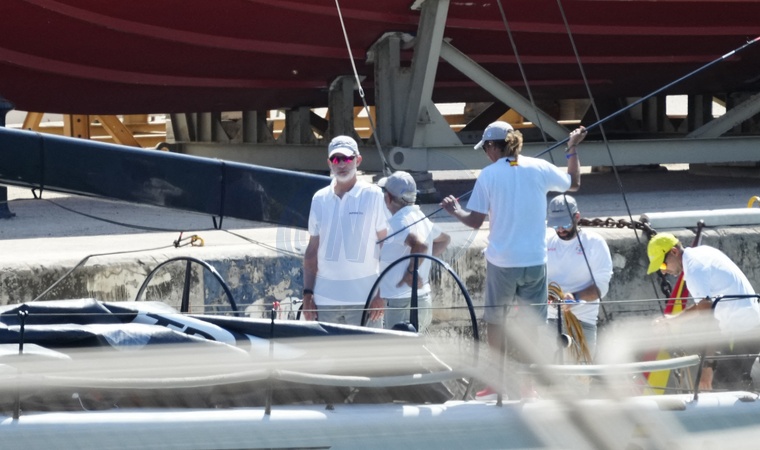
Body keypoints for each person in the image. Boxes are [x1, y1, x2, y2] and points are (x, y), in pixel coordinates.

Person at [440, 121, 588, 399]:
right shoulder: (539, 167)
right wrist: (571, 148)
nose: (486, 153)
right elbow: (575, 183)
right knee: (531, 325)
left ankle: (497, 384)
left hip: (503, 262)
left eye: (486, 148)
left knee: (496, 322)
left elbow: (474, 221)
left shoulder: (488, 174)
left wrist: (454, 210)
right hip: (535, 261)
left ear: (493, 146)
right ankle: (528, 387)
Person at [647, 233, 760, 391]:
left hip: (743, 330)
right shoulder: (702, 253)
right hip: (746, 325)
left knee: (724, 386)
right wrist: (674, 319)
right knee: (730, 382)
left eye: (663, 266)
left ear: (674, 252)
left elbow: (708, 322)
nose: (664, 272)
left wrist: (708, 368)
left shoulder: (694, 270)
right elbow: (705, 305)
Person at [302, 136, 388, 327]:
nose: (341, 164)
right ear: (329, 163)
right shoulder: (319, 199)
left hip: (366, 301)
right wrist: (308, 294)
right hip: (325, 302)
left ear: (358, 160)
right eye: (336, 159)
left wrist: (382, 295)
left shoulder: (374, 195)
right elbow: (312, 251)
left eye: (347, 158)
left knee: (369, 349)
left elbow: (388, 247)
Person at [378, 171, 451, 332]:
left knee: (397, 347)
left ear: (388, 198)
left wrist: (411, 271)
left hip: (401, 302)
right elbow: (444, 239)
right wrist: (423, 258)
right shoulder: (419, 216)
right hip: (423, 299)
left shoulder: (398, 222)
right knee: (417, 347)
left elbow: (421, 245)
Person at [545, 194, 613, 361]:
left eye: (566, 224)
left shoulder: (594, 243)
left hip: (583, 321)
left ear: (577, 217)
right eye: (556, 225)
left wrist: (575, 297)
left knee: (581, 373)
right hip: (549, 320)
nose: (561, 230)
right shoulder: (546, 241)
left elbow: (601, 287)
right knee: (547, 374)